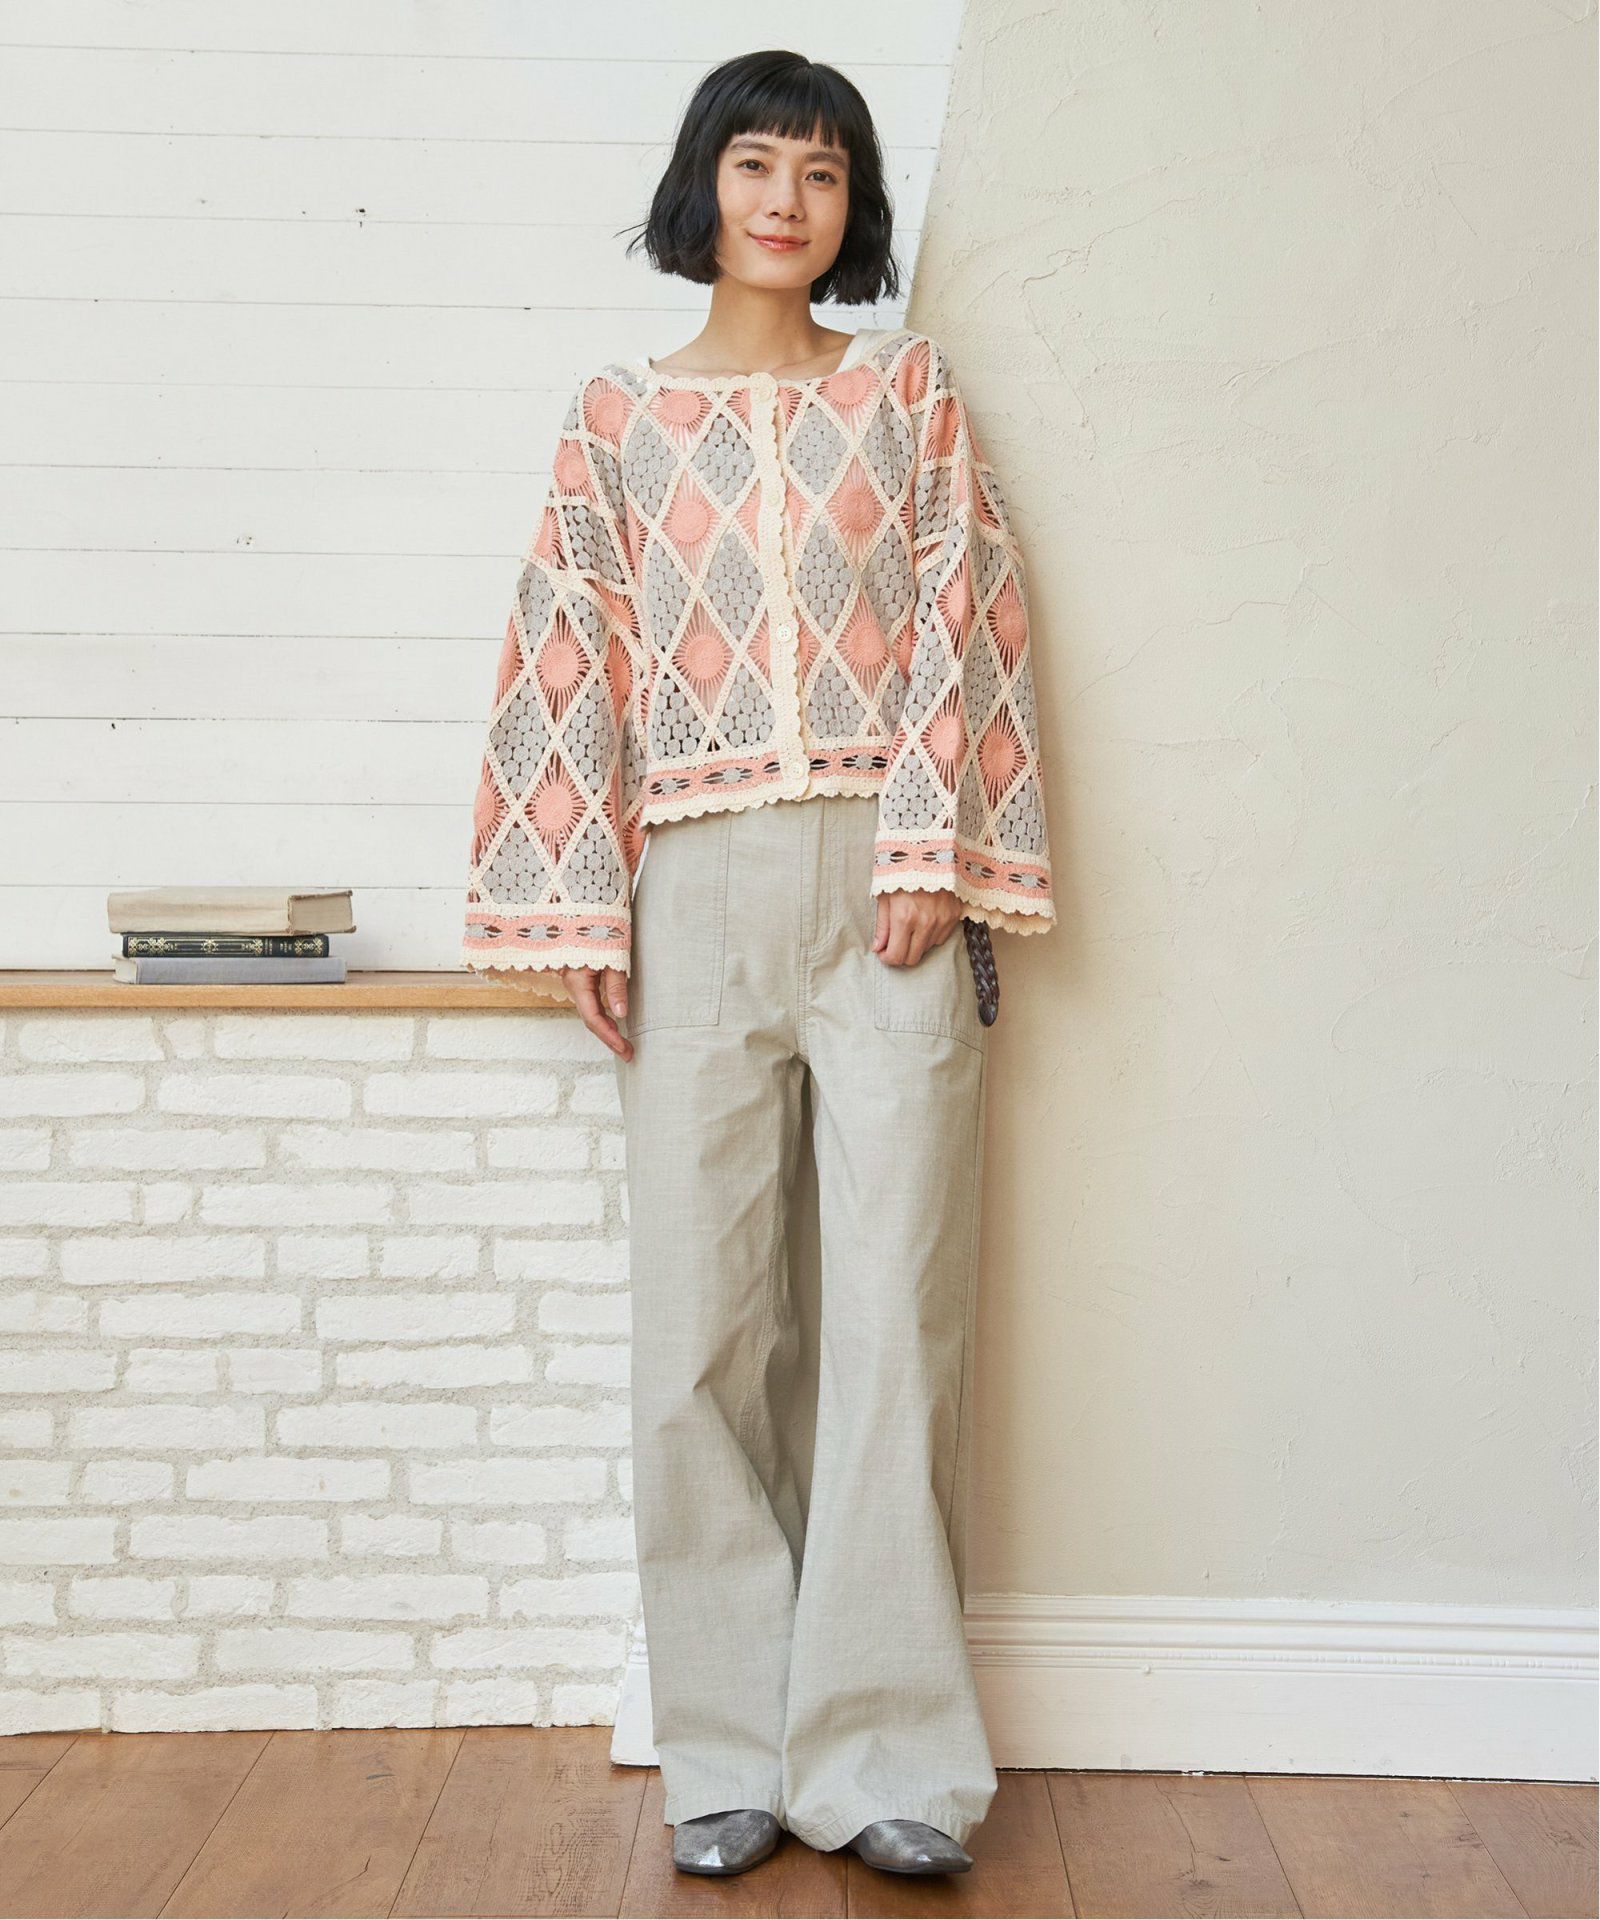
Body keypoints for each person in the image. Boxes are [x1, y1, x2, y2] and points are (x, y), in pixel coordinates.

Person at [460, 48, 1056, 1878]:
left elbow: (971, 612)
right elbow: (568, 649)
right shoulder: (615, 419)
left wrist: (932, 845)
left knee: (896, 1324)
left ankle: (886, 1761)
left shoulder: (908, 396)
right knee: (704, 1332)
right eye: (754, 164)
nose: (786, 200)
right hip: (692, 890)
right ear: (702, 186)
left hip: (889, 892)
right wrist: (580, 903)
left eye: (821, 170)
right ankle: (724, 1745)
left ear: (851, 203)